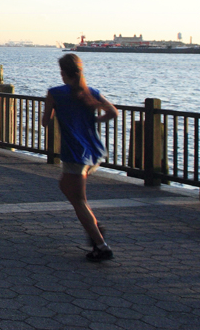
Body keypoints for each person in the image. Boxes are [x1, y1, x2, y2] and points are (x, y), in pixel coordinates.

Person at [41, 53, 119, 262]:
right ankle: (95, 229)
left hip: (75, 153)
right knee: (69, 190)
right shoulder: (90, 92)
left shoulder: (55, 93)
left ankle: (100, 244)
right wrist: (95, 120)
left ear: (63, 73)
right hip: (94, 152)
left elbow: (45, 122)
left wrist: (55, 113)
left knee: (78, 200)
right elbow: (113, 112)